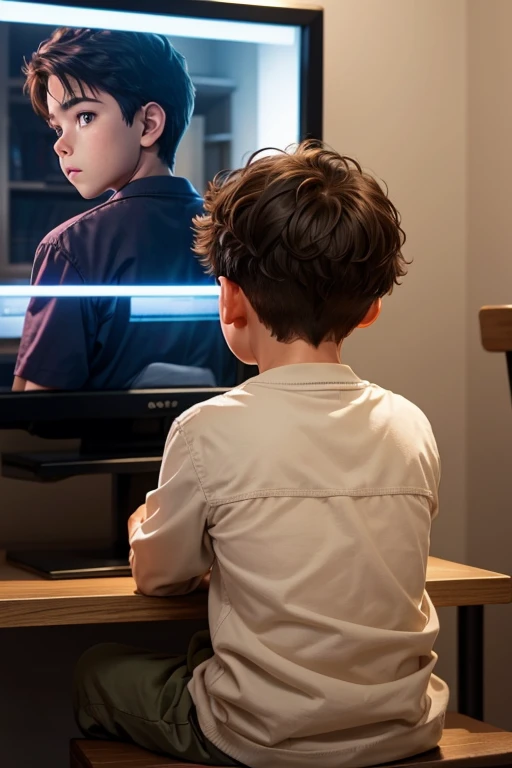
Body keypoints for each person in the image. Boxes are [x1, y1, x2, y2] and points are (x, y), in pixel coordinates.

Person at [73, 141, 449, 768]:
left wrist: (145, 525)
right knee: (214, 645)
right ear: (373, 307)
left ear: (230, 298)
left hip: (262, 738)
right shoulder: (411, 425)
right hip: (404, 726)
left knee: (96, 668)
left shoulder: (206, 430)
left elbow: (160, 578)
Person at [13, 27, 235, 391]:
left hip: (109, 449)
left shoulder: (69, 247)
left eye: (84, 117)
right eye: (57, 127)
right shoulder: (238, 234)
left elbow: (39, 408)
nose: (61, 146)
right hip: (220, 446)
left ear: (148, 124)